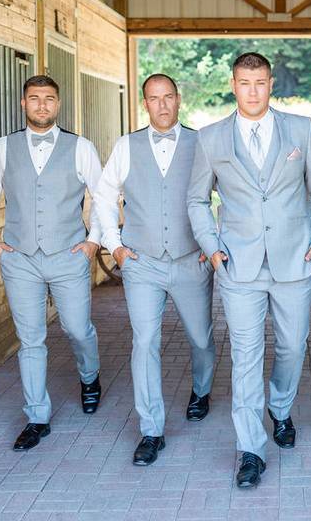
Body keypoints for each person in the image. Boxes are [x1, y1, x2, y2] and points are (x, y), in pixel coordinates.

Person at [187, 52, 311, 488]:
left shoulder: (301, 129)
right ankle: (250, 448)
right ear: (233, 84)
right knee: (245, 358)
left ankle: (281, 409)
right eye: (245, 82)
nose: (253, 90)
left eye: (261, 82)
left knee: (292, 347)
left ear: (271, 84)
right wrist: (212, 248)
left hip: (295, 261)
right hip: (238, 265)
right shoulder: (211, 138)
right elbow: (197, 200)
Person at [0, 75, 103, 451]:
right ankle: (36, 416)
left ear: (58, 104)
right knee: (30, 340)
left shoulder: (80, 147)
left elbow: (103, 195)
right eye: (35, 99)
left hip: (69, 253)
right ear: (23, 103)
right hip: (19, 257)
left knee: (78, 328)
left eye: (49, 99)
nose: (42, 105)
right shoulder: (2, 148)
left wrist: (93, 240)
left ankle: (90, 375)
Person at [94, 73, 216, 466]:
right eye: (153, 98)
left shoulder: (202, 143)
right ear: (144, 103)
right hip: (141, 262)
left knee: (201, 338)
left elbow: (231, 193)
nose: (161, 105)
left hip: (190, 259)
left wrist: (212, 244)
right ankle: (151, 429)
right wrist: (115, 244)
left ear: (178, 100)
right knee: (144, 342)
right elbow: (103, 193)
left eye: (168, 97)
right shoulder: (126, 146)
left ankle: (202, 388)